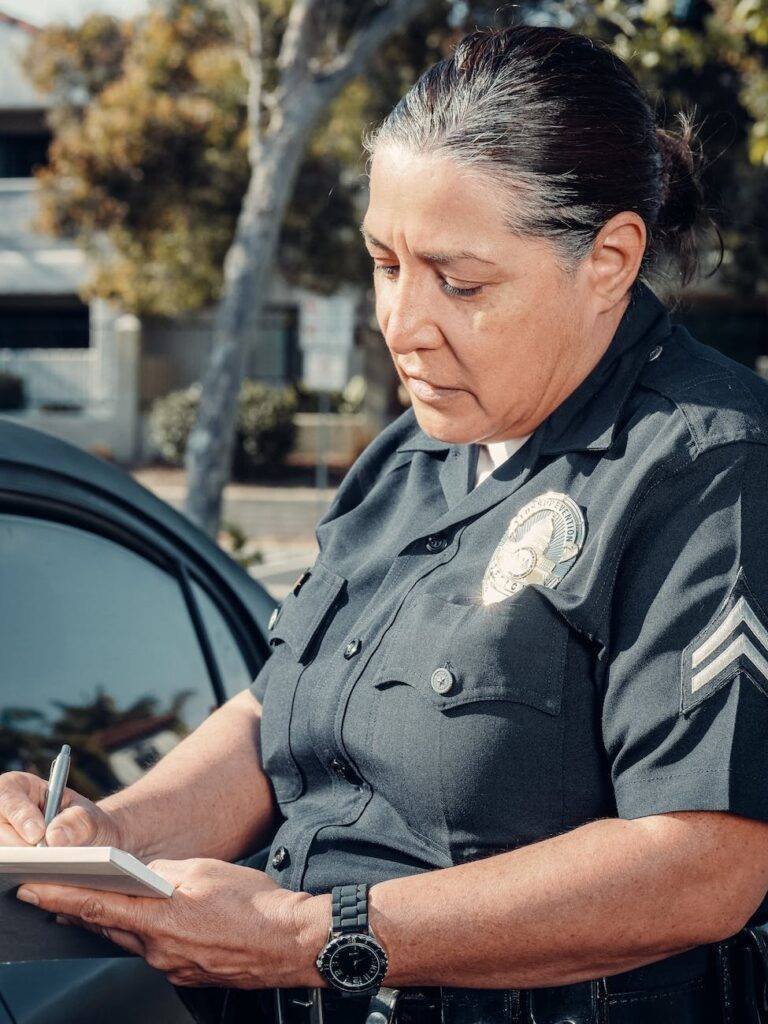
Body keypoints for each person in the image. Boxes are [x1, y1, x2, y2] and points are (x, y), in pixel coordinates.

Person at [4, 22, 768, 1024]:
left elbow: (706, 860)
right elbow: (278, 716)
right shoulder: (412, 451)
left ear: (611, 259)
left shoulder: (710, 466)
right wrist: (107, 836)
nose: (402, 324)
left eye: (461, 282)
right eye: (384, 264)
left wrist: (311, 935)